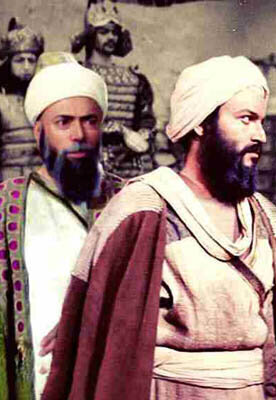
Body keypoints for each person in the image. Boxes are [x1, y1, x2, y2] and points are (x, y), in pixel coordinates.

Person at [42, 55, 276, 400]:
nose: (260, 135)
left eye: (261, 121)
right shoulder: (143, 209)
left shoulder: (267, 219)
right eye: (246, 119)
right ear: (201, 124)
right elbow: (98, 326)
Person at [0, 52, 121, 400]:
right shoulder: (8, 204)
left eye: (90, 121)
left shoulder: (131, 200)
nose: (79, 134)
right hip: (36, 382)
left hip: (110, 378)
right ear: (39, 130)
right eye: (63, 122)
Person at [71, 0, 174, 178]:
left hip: (132, 163)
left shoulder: (134, 78)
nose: (111, 37)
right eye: (104, 32)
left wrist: (142, 136)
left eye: (114, 32)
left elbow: (146, 118)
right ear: (91, 35)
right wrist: (122, 131)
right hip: (92, 159)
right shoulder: (79, 74)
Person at [0, 18, 44, 180]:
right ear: (8, 63)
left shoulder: (44, 101)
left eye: (31, 60)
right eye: (19, 60)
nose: (26, 67)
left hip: (40, 182)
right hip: (8, 182)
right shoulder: (2, 103)